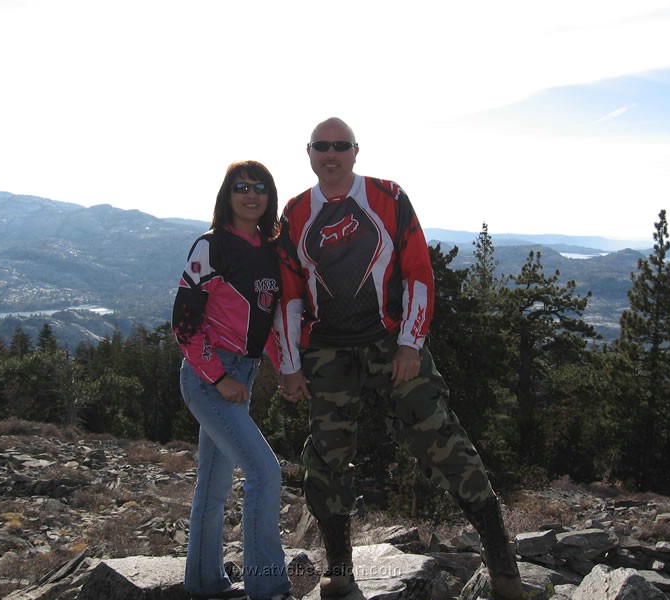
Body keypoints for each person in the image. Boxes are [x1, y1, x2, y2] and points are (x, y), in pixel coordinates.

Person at [273, 118, 524, 600]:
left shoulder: (388, 197)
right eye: (322, 146)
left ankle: (502, 564)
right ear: (308, 153)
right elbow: (289, 296)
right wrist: (288, 364)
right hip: (327, 350)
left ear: (355, 151)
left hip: (391, 342)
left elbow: (418, 274)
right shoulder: (296, 212)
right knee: (326, 459)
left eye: (340, 145)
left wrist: (411, 343)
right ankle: (340, 570)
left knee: (445, 441)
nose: (331, 153)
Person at [172, 160, 293, 600]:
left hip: (242, 372)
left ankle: (204, 583)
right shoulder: (211, 245)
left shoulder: (268, 248)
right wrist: (219, 376)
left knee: (214, 483)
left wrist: (285, 370)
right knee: (264, 472)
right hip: (209, 378)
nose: (251, 194)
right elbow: (185, 323)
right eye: (242, 187)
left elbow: (267, 320)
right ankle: (269, 588)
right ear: (228, 193)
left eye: (260, 187)